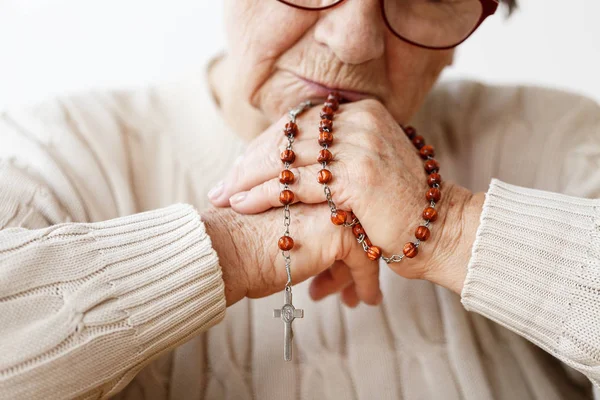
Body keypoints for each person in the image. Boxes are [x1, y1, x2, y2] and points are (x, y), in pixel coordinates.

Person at [0, 0, 599, 398]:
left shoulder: (560, 141)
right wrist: (234, 250)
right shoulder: (48, 151)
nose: (354, 40)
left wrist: (446, 229)